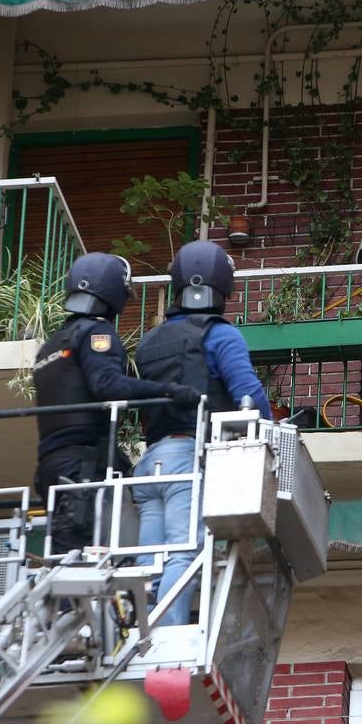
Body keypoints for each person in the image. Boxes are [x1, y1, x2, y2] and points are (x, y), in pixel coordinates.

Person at [133, 241, 272, 626]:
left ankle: (138, 627)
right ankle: (165, 633)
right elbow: (248, 393)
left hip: (151, 463)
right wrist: (269, 434)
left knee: (150, 559)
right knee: (184, 552)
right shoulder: (221, 336)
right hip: (191, 459)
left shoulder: (149, 341)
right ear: (223, 287)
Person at [33, 252, 202, 555]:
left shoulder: (51, 345)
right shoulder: (96, 332)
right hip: (83, 470)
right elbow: (106, 384)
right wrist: (167, 391)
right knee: (90, 567)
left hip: (51, 468)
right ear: (113, 292)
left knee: (67, 558)